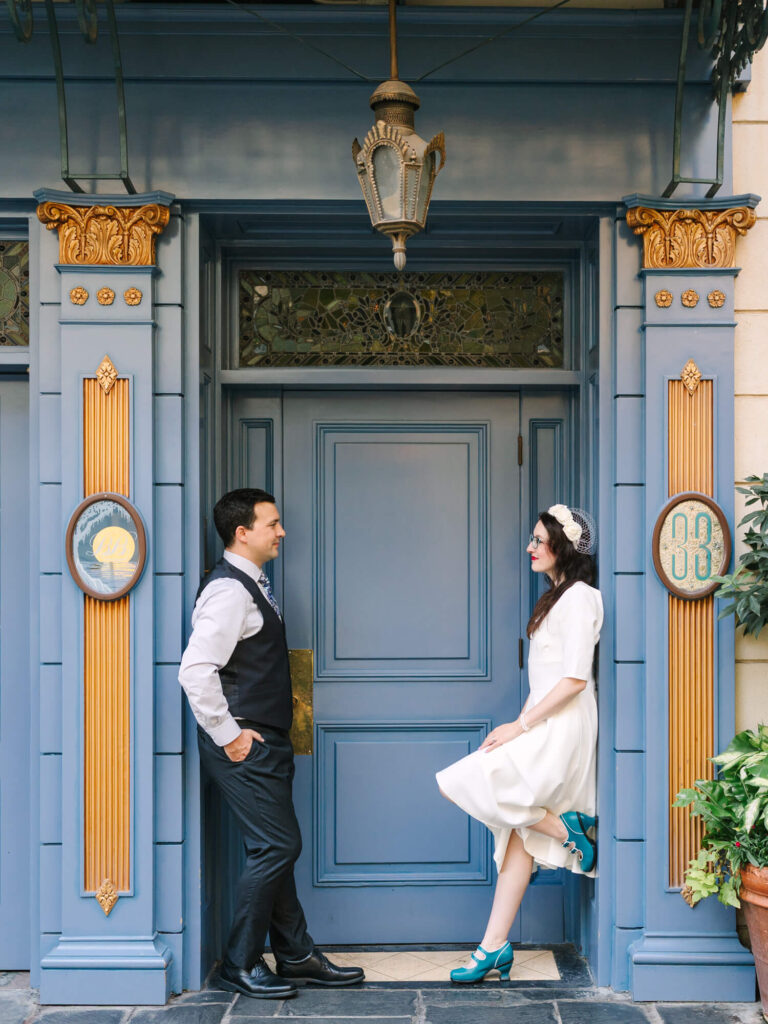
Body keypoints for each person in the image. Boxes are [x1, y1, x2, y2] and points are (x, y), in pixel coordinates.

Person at [179, 488, 364, 999]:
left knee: (272, 846)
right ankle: (239, 962)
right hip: (244, 742)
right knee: (279, 845)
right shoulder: (229, 591)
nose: (282, 532)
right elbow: (195, 671)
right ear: (243, 533)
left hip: (263, 739)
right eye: (273, 524)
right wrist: (231, 737)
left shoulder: (249, 585)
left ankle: (296, 954)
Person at [435, 504, 602, 984]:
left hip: (563, 725)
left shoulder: (581, 598)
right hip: (543, 721)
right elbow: (547, 679)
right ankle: (493, 947)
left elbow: (574, 680)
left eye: (538, 540)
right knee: (516, 833)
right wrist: (520, 723)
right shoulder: (555, 597)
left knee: (463, 783)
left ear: (562, 546)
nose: (530, 547)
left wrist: (521, 726)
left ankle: (568, 832)